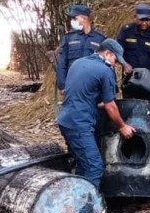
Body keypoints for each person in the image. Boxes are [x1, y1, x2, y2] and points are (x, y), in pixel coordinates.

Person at [57, 39, 136, 187]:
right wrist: (122, 126)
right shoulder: (105, 71)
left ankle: (76, 202)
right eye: (115, 59)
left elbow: (81, 94)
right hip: (80, 125)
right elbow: (110, 106)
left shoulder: (78, 63)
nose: (115, 64)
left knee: (82, 165)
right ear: (107, 53)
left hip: (65, 120)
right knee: (94, 167)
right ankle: (89, 208)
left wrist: (102, 104)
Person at [56, 5, 108, 94]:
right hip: (73, 85)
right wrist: (62, 85)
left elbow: (107, 65)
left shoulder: (100, 39)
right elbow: (62, 63)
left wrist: (108, 88)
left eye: (74, 18)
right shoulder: (69, 38)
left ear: (84, 19)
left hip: (93, 86)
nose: (72, 21)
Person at [116, 3, 150, 82]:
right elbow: (116, 51)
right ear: (136, 18)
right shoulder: (126, 31)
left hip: (148, 79)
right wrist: (124, 64)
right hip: (130, 77)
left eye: (147, 20)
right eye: (141, 20)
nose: (144, 23)